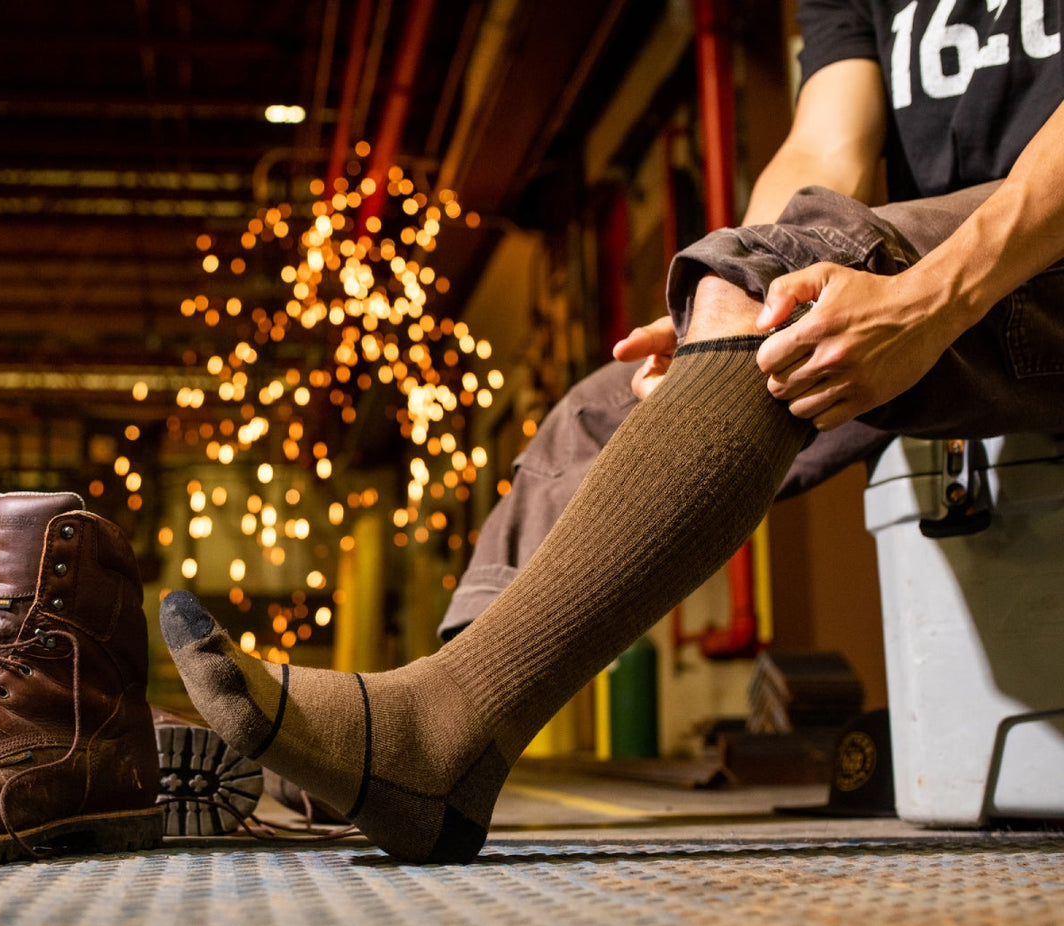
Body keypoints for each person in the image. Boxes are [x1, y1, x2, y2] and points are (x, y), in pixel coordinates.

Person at [161, 0, 1064, 863]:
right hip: (935, 279)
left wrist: (936, 294)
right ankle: (422, 747)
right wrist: (730, 301)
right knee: (597, 409)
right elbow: (825, 148)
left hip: (1031, 252)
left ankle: (427, 734)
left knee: (750, 289)